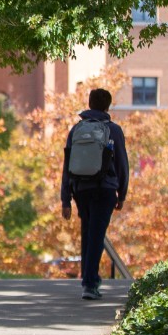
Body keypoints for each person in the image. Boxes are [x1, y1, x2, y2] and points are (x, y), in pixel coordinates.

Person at [60, 87, 129, 300]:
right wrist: (122, 194)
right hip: (105, 188)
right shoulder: (114, 131)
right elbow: (122, 164)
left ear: (89, 104)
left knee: (88, 233)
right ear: (108, 106)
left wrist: (66, 198)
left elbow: (67, 165)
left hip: (82, 189)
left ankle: (88, 280)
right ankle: (90, 283)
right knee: (97, 235)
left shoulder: (76, 129)